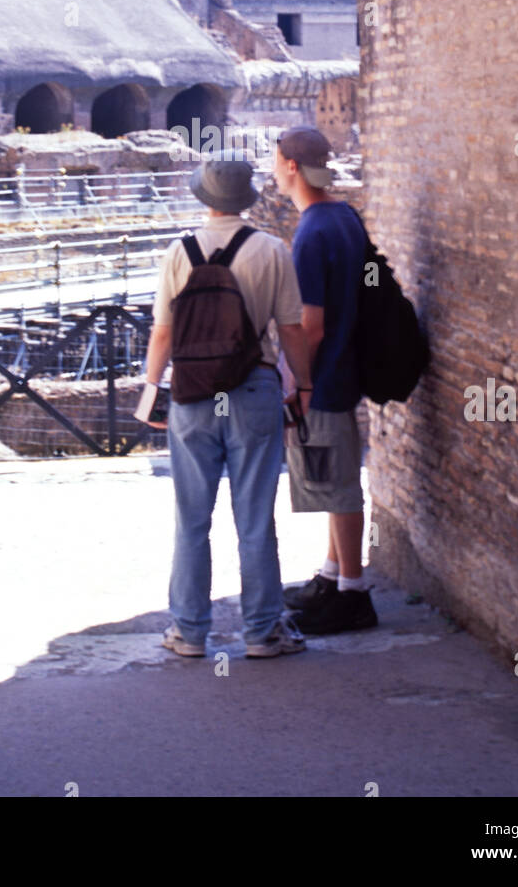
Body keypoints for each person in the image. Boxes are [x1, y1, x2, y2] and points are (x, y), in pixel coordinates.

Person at [144, 153, 314, 658]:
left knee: (191, 517)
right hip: (252, 389)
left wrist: (152, 390)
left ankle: (189, 633)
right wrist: (302, 387)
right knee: (255, 517)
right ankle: (262, 632)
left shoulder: (179, 251)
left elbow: (163, 332)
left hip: (194, 395)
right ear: (246, 199)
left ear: (205, 199)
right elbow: (290, 329)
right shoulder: (270, 249)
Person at [273, 126, 378, 634]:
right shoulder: (344, 217)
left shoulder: (312, 231)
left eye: (275, 161)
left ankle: (354, 595)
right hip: (348, 363)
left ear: (292, 166)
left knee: (337, 485)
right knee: (337, 475)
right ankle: (333, 574)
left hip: (326, 375)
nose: (273, 171)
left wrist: (298, 381)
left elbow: (309, 325)